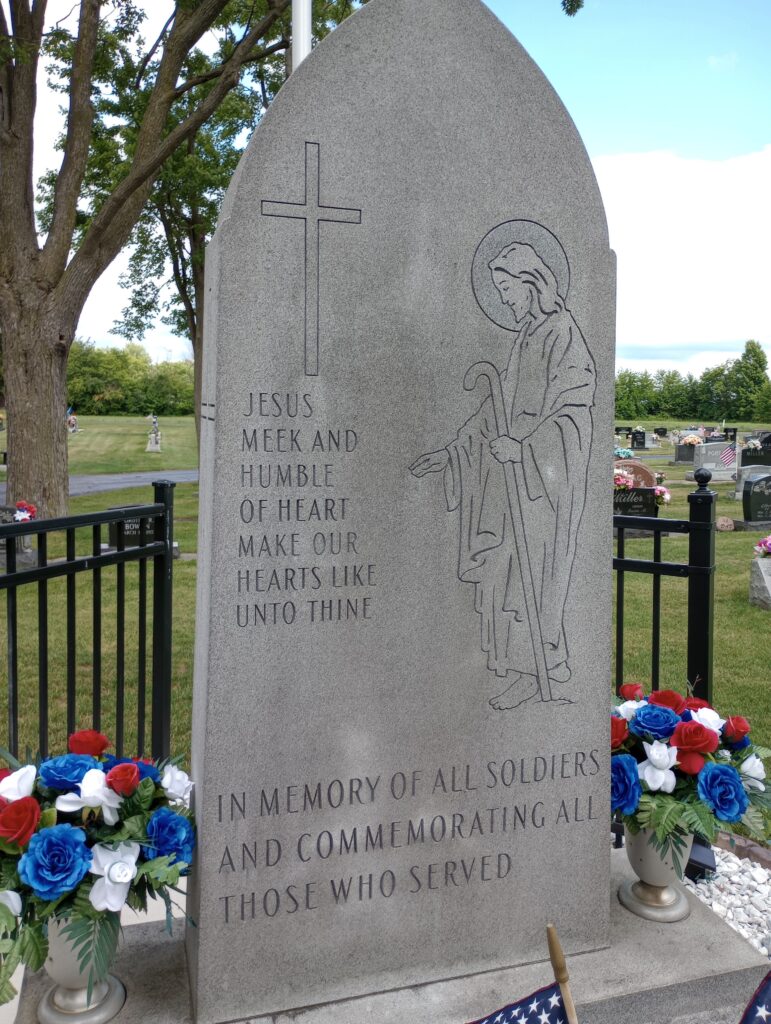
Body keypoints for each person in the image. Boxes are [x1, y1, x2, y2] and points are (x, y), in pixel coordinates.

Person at [410, 242, 596, 710]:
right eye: (497, 290)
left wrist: (527, 448)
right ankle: (531, 668)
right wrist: (451, 452)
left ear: (531, 283)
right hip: (511, 482)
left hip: (544, 484)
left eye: (507, 289)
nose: (505, 300)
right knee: (507, 573)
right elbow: (495, 412)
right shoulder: (524, 338)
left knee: (537, 574)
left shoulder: (561, 333)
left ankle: (542, 670)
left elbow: (574, 409)